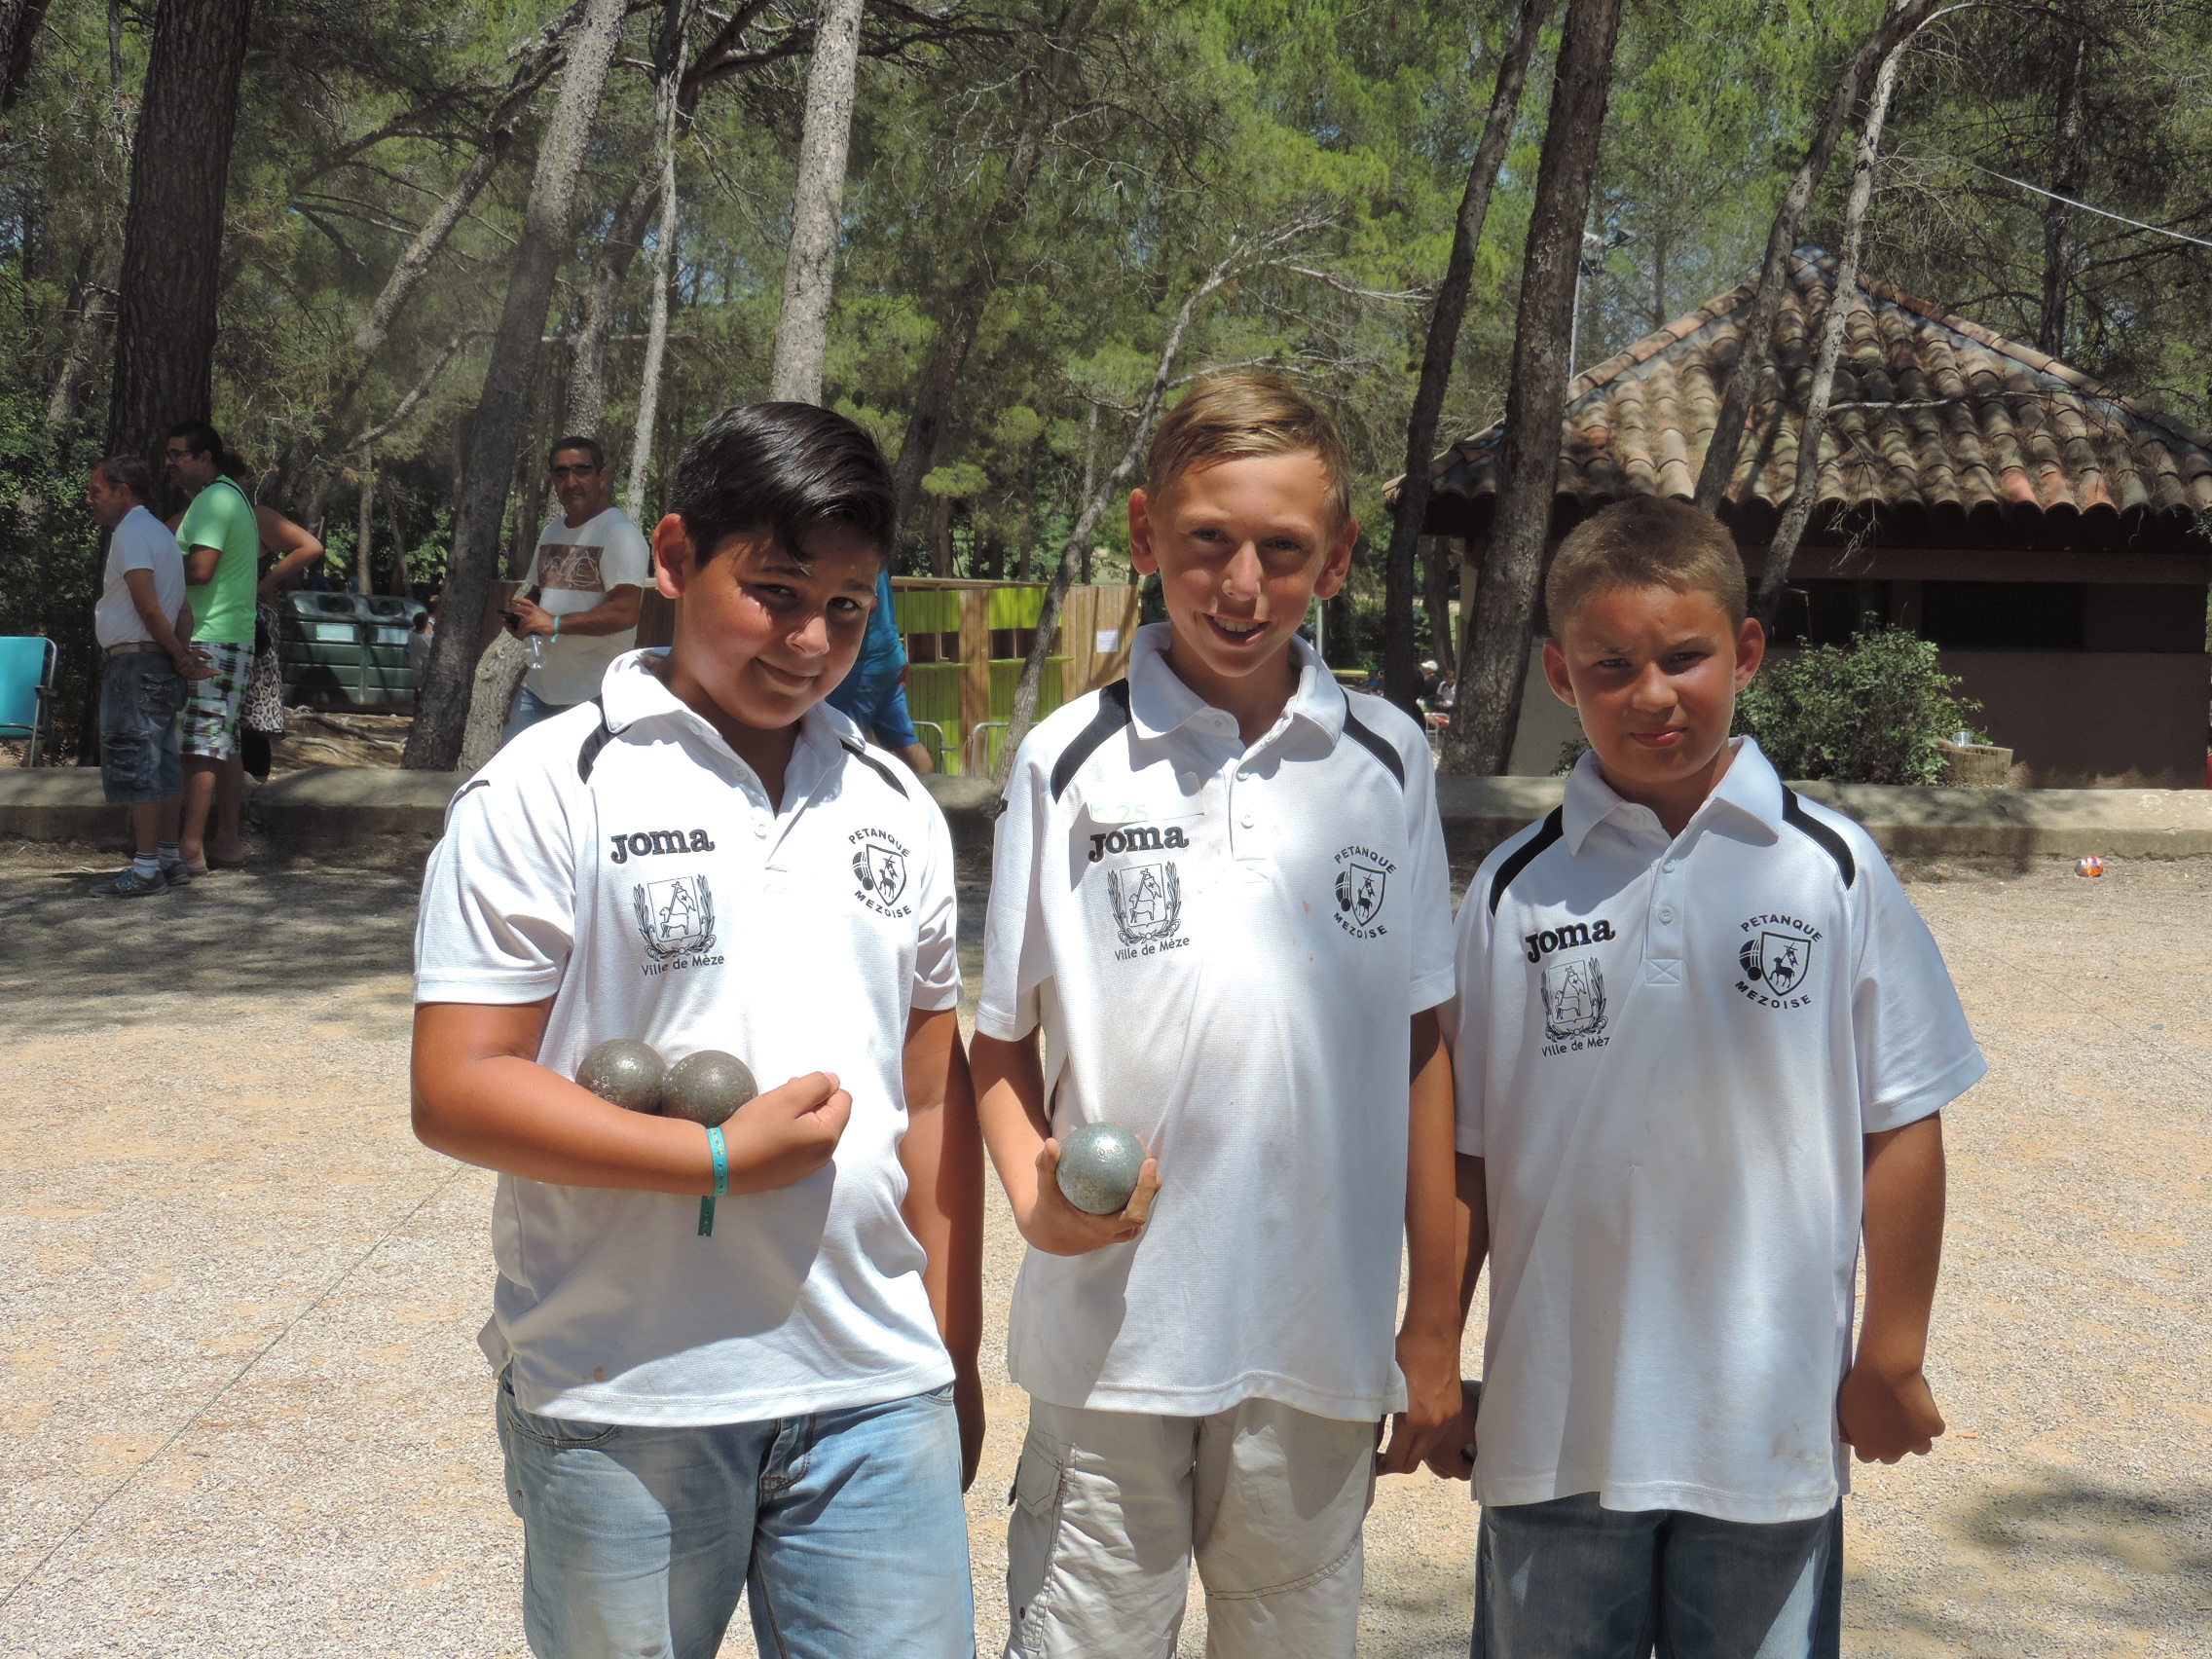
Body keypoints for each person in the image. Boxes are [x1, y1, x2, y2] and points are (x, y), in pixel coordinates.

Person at [410, 403, 984, 1659]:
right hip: (626, 1395)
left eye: (847, 604)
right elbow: (456, 1087)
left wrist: (954, 1347)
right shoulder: (547, 788)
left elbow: (933, 1099)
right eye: (773, 590)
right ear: (673, 559)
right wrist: (715, 1162)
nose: (811, 639)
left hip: (874, 1393)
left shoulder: (895, 803)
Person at [1440, 496, 1984, 1658]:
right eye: (1611, 665)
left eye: (1685, 657)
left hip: (1765, 1428)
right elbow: (1467, 1154)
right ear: (1555, 673)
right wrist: (1431, 1344)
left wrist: (1891, 1349)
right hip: (1554, 1427)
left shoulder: (1829, 870)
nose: (1652, 693)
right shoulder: (1513, 892)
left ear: (1744, 652)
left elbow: (1902, 1120)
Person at [972, 373, 1461, 1657]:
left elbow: (1421, 1048)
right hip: (1110, 1344)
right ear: (1146, 537)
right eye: (1207, 542)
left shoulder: (1390, 761)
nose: (1241, 583)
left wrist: (1430, 1322)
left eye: (1283, 550)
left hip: (1316, 1340)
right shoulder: (1065, 761)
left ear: (1338, 560)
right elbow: (1000, 1036)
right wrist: (1033, 1191)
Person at [87, 456, 208, 896]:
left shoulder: (132, 534)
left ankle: (144, 869)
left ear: (124, 491)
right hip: (157, 663)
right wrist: (178, 655)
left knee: (137, 760)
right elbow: (184, 611)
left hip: (137, 664)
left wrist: (178, 656)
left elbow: (149, 605)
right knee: (164, 760)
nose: (90, 500)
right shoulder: (161, 534)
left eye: (96, 492)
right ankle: (169, 856)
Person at [501, 435, 650, 741]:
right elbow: (541, 594)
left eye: (581, 470)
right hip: (539, 691)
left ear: (602, 477)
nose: (570, 482)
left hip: (593, 698)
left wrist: (554, 624)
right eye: (561, 472)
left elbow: (625, 611)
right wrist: (525, 620)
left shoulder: (620, 534)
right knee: (512, 783)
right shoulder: (552, 530)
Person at [164, 421, 262, 876]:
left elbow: (201, 568)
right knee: (222, 742)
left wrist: (152, 564)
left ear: (205, 458)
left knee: (199, 747)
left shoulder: (214, 499)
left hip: (210, 636)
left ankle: (189, 850)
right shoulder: (227, 496)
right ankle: (227, 843)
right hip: (226, 634)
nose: (169, 462)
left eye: (178, 454)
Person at [824, 567, 935, 772]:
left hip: (864, 668)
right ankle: (932, 797)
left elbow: (869, 603)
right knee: (905, 740)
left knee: (841, 743)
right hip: (891, 661)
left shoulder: (855, 558)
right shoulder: (875, 560)